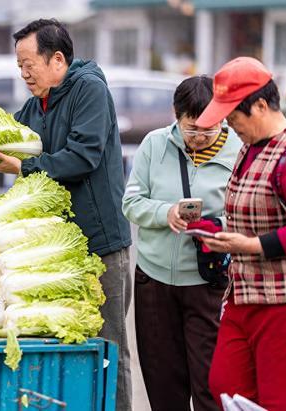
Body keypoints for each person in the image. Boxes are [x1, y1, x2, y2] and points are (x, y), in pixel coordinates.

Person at [0, 19, 132, 410]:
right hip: (58, 249)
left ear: (57, 59)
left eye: (28, 64)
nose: (23, 74)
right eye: (18, 66)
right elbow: (11, 135)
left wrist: (23, 168)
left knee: (109, 349)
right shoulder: (37, 103)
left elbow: (83, 156)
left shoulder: (89, 89)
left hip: (100, 246)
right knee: (66, 344)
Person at [197, 57, 286, 410]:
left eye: (234, 118)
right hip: (249, 293)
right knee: (226, 386)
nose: (231, 127)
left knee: (283, 401)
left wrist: (251, 245)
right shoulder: (252, 145)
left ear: (260, 105)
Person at [122, 76, 241, 411]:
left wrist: (217, 227)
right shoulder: (154, 145)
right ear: (176, 116)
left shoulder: (239, 152)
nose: (200, 138)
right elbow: (131, 202)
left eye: (209, 129)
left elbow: (249, 215)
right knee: (163, 386)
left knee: (210, 385)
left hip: (208, 283)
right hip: (155, 281)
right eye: (191, 129)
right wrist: (166, 212)